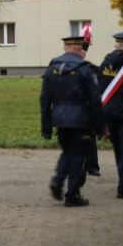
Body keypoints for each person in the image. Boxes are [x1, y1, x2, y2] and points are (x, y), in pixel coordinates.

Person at [40, 34, 104, 207]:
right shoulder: (84, 68)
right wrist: (100, 126)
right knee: (78, 156)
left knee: (67, 151)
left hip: (59, 119)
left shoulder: (52, 67)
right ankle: (72, 194)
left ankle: (57, 180)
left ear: (66, 47)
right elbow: (95, 99)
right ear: (78, 49)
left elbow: (45, 99)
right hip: (80, 120)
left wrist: (46, 125)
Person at [98, 31, 123, 198]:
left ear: (116, 45)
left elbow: (100, 87)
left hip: (108, 113)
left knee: (119, 151)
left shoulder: (105, 63)